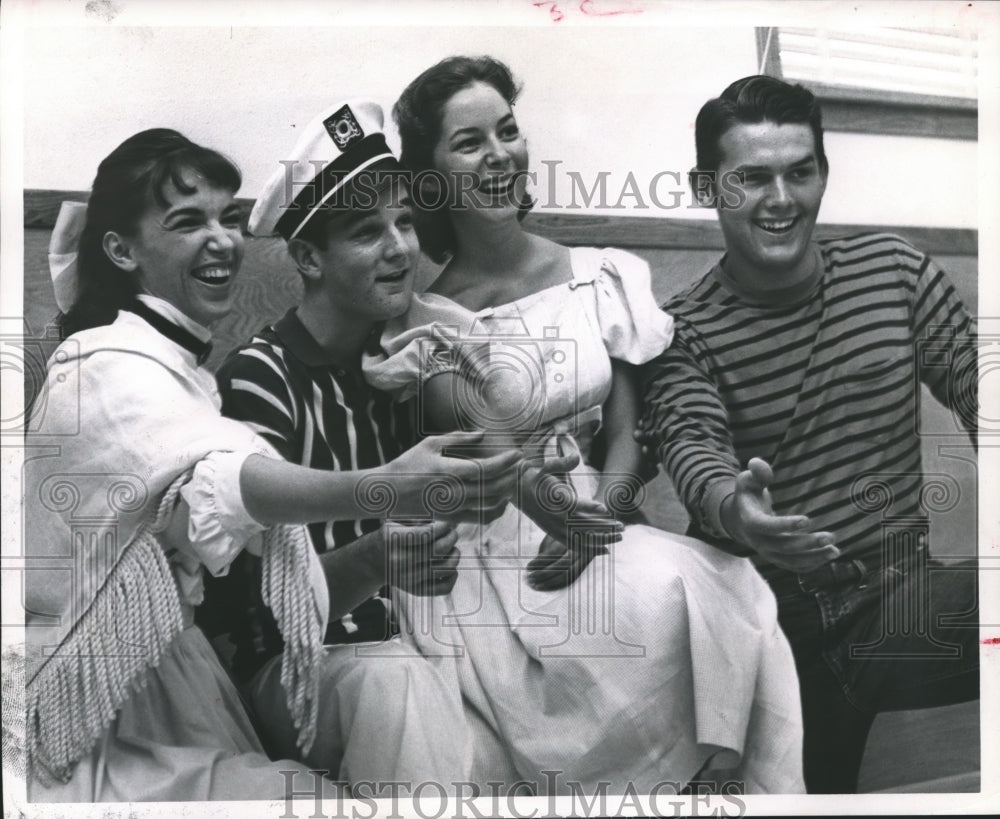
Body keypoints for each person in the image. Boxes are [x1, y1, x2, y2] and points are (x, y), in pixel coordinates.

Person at [22, 128, 520, 801]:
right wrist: (384, 489)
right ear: (120, 248)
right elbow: (226, 478)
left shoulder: (171, 362)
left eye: (230, 218)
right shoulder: (102, 366)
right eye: (188, 221)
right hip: (90, 693)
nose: (223, 239)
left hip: (164, 666)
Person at [361, 55, 806, 795]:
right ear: (430, 174)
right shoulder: (430, 321)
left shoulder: (598, 274)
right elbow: (491, 451)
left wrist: (607, 508)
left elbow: (631, 429)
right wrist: (563, 516)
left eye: (507, 130)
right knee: (662, 610)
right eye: (468, 142)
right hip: (495, 552)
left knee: (728, 590)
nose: (499, 153)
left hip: (603, 515)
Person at [637, 75, 979, 793]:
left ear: (824, 172)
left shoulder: (894, 271)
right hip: (777, 627)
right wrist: (740, 511)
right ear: (708, 189)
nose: (782, 199)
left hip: (903, 598)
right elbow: (692, 445)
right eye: (752, 178)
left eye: (801, 171)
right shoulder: (680, 333)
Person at [203, 99, 532, 791]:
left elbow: (462, 493)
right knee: (396, 682)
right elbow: (246, 609)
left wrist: (507, 474)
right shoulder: (262, 379)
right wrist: (377, 557)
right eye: (366, 232)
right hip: (295, 670)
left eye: (405, 221)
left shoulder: (401, 361)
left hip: (410, 638)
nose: (399, 249)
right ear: (306, 257)